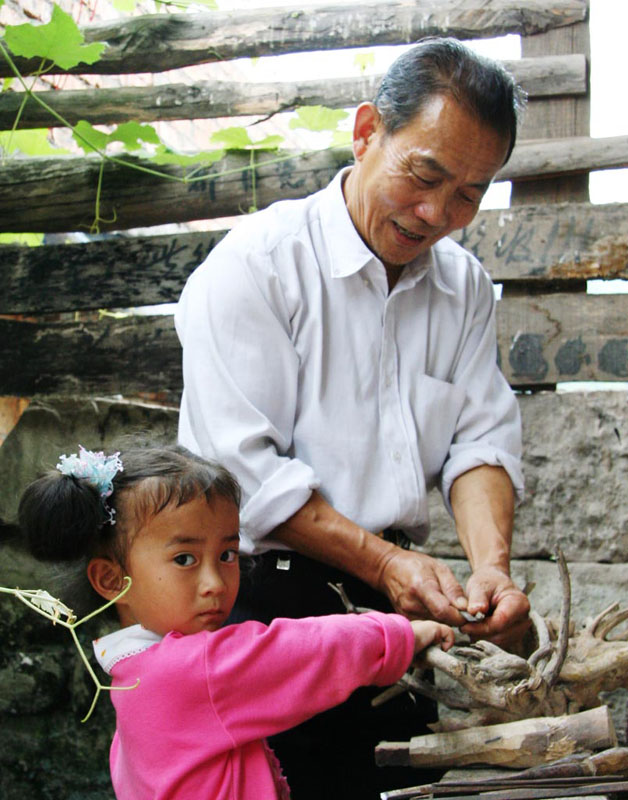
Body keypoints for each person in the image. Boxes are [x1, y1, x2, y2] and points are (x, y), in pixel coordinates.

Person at [175, 36, 530, 798]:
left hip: (395, 616)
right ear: (367, 130)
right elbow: (247, 476)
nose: (438, 212)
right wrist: (387, 563)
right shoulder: (258, 264)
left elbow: (480, 442)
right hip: (264, 610)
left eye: (469, 193)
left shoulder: (464, 287)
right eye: (424, 175)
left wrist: (491, 568)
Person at [17, 443, 455, 800]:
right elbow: (304, 651)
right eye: (184, 559)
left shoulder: (128, 677)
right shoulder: (193, 671)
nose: (215, 582)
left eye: (227, 554)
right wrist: (399, 634)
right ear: (112, 579)